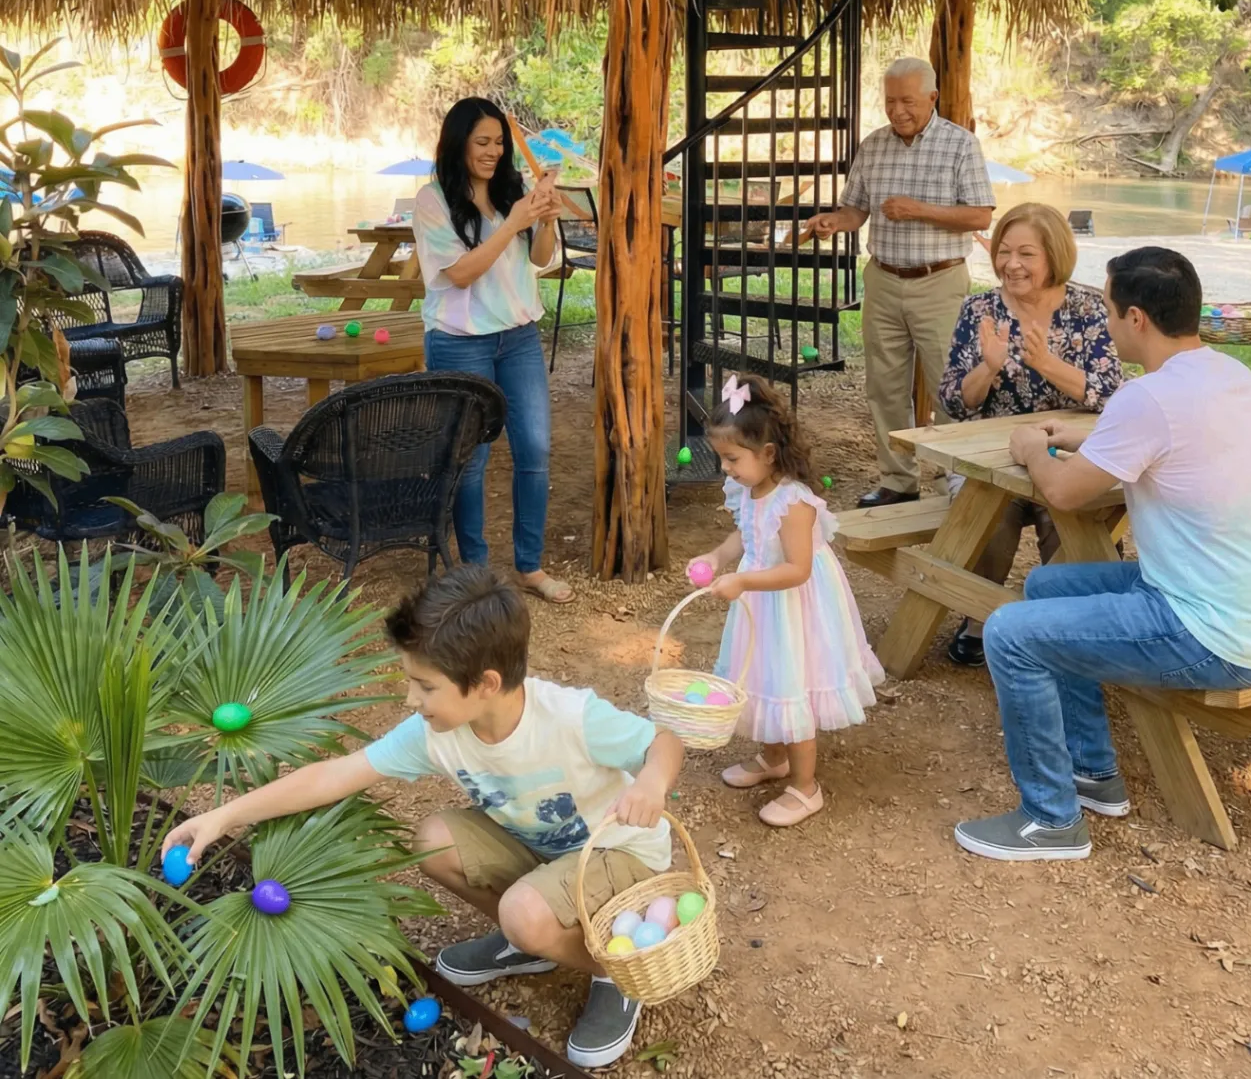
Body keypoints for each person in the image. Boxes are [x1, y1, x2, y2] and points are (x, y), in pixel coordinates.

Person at [163, 565, 684, 1070]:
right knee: (435, 841)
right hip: (543, 853)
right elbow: (335, 774)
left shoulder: (571, 717)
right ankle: (534, 944)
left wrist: (652, 781)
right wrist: (224, 816)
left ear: (485, 683)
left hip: (618, 853)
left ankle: (617, 973)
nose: (412, 699)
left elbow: (664, 742)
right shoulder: (436, 732)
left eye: (426, 686)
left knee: (524, 913)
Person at [955, 246, 1251, 863]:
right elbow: (1159, 433)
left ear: (1136, 318)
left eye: (1109, 310)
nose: (1105, 321)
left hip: (1209, 634)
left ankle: (1051, 820)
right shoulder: (1227, 375)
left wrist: (1032, 445)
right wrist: (1080, 434)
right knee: (1047, 588)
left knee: (1008, 632)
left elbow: (1061, 491)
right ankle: (1093, 773)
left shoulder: (1150, 399)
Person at [689, 373, 885, 828]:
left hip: (794, 607)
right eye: (723, 458)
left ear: (768, 453)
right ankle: (773, 757)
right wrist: (717, 557)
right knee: (766, 676)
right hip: (762, 601)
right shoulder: (748, 488)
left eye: (732, 458)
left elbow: (797, 569)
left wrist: (744, 583)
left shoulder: (794, 501)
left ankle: (805, 786)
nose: (726, 469)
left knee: (791, 681)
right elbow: (746, 534)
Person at [801, 58, 995, 506]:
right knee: (884, 386)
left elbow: (980, 214)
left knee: (952, 384)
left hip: (940, 281)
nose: (897, 110)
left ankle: (958, 482)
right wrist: (834, 221)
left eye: (907, 100)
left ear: (932, 98)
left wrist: (920, 209)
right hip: (884, 280)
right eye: (890, 101)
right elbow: (856, 211)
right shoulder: (872, 146)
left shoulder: (960, 145)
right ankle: (897, 481)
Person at [937, 202, 1123, 666]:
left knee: (1071, 511)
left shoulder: (1088, 308)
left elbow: (1111, 393)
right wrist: (988, 367)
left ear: (1054, 256)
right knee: (988, 507)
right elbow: (954, 401)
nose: (1011, 264)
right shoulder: (979, 307)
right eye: (1004, 252)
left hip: (1066, 444)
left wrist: (1048, 365)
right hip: (990, 448)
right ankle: (979, 616)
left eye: (1026, 254)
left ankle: (1066, 624)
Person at [413, 97, 571, 602]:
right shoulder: (432, 200)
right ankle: (476, 572)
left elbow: (541, 260)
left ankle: (529, 566)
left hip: (518, 336)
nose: (493, 152)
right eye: (482, 142)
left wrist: (544, 219)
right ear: (457, 143)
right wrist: (513, 223)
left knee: (536, 448)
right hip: (460, 342)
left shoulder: (513, 191)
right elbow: (458, 275)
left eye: (499, 143)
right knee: (471, 460)